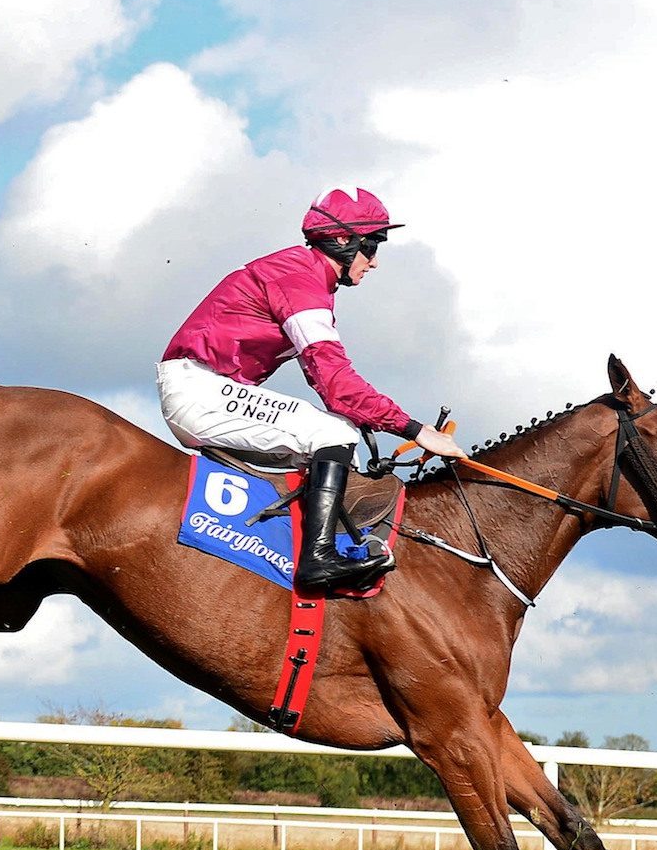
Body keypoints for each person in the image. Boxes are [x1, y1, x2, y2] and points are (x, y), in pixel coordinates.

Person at [158, 187, 463, 590]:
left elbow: (324, 381)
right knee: (333, 432)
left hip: (206, 389)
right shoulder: (299, 279)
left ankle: (287, 550)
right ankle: (318, 559)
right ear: (342, 240)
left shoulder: (305, 277)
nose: (374, 261)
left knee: (340, 438)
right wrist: (415, 430)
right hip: (200, 391)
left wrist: (366, 417)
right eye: (372, 246)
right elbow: (337, 385)